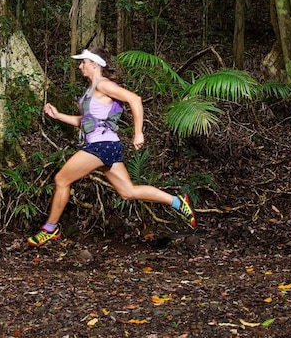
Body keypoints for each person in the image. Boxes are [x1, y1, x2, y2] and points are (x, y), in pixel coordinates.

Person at [28, 47, 196, 247]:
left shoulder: (103, 84)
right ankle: (178, 202)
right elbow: (87, 121)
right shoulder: (92, 88)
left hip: (102, 146)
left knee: (61, 179)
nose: (80, 66)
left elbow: (135, 99)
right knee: (128, 192)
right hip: (107, 145)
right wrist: (58, 116)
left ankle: (50, 229)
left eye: (83, 62)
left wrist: (138, 132)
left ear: (95, 64)